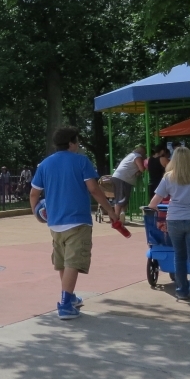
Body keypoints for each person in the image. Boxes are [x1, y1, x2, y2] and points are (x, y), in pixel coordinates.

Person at [30, 127, 119, 320]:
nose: (78, 145)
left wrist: (36, 213)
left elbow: (34, 193)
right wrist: (110, 210)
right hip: (77, 220)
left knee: (62, 261)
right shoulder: (81, 161)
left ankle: (69, 298)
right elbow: (94, 189)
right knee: (73, 261)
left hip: (54, 222)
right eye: (77, 141)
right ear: (70, 143)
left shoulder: (45, 164)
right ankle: (65, 305)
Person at [148, 147, 190, 307]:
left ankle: (182, 290)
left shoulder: (169, 177)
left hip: (175, 220)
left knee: (179, 255)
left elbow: (154, 203)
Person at [111, 145, 147, 224]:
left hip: (120, 177)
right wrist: (145, 164)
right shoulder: (137, 157)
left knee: (123, 198)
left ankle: (121, 216)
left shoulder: (131, 155)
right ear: (142, 152)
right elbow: (142, 169)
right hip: (123, 178)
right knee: (121, 198)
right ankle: (116, 219)